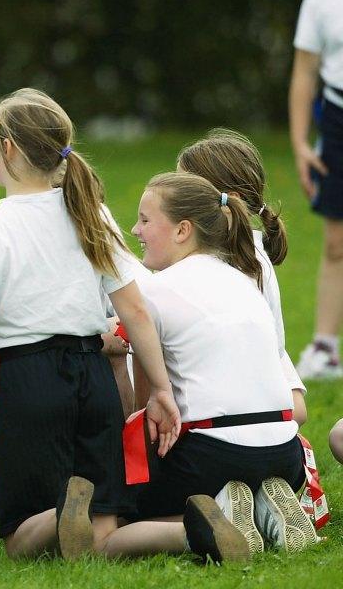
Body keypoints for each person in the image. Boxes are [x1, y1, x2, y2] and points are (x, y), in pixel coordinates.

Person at [0, 89, 232, 563]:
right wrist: (161, 391)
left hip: (26, 385)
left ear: (7, 149)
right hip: (93, 379)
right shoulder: (92, 214)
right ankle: (189, 531)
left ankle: (65, 506)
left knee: (21, 540)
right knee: (102, 532)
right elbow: (136, 312)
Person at [127, 172, 318, 556]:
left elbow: (144, 409)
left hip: (212, 458)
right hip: (285, 453)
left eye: (145, 220)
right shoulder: (245, 282)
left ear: (183, 230)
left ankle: (227, 514)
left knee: (125, 512)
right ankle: (267, 505)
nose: (135, 230)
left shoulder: (153, 290)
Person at [176, 128, 308, 424]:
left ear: (228, 201)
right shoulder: (252, 249)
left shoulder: (222, 265)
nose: (174, 198)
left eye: (185, 191)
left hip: (235, 406)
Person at [289, 0, 343, 379]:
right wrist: (302, 142)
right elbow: (305, 71)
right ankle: (326, 349)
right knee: (336, 242)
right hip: (339, 119)